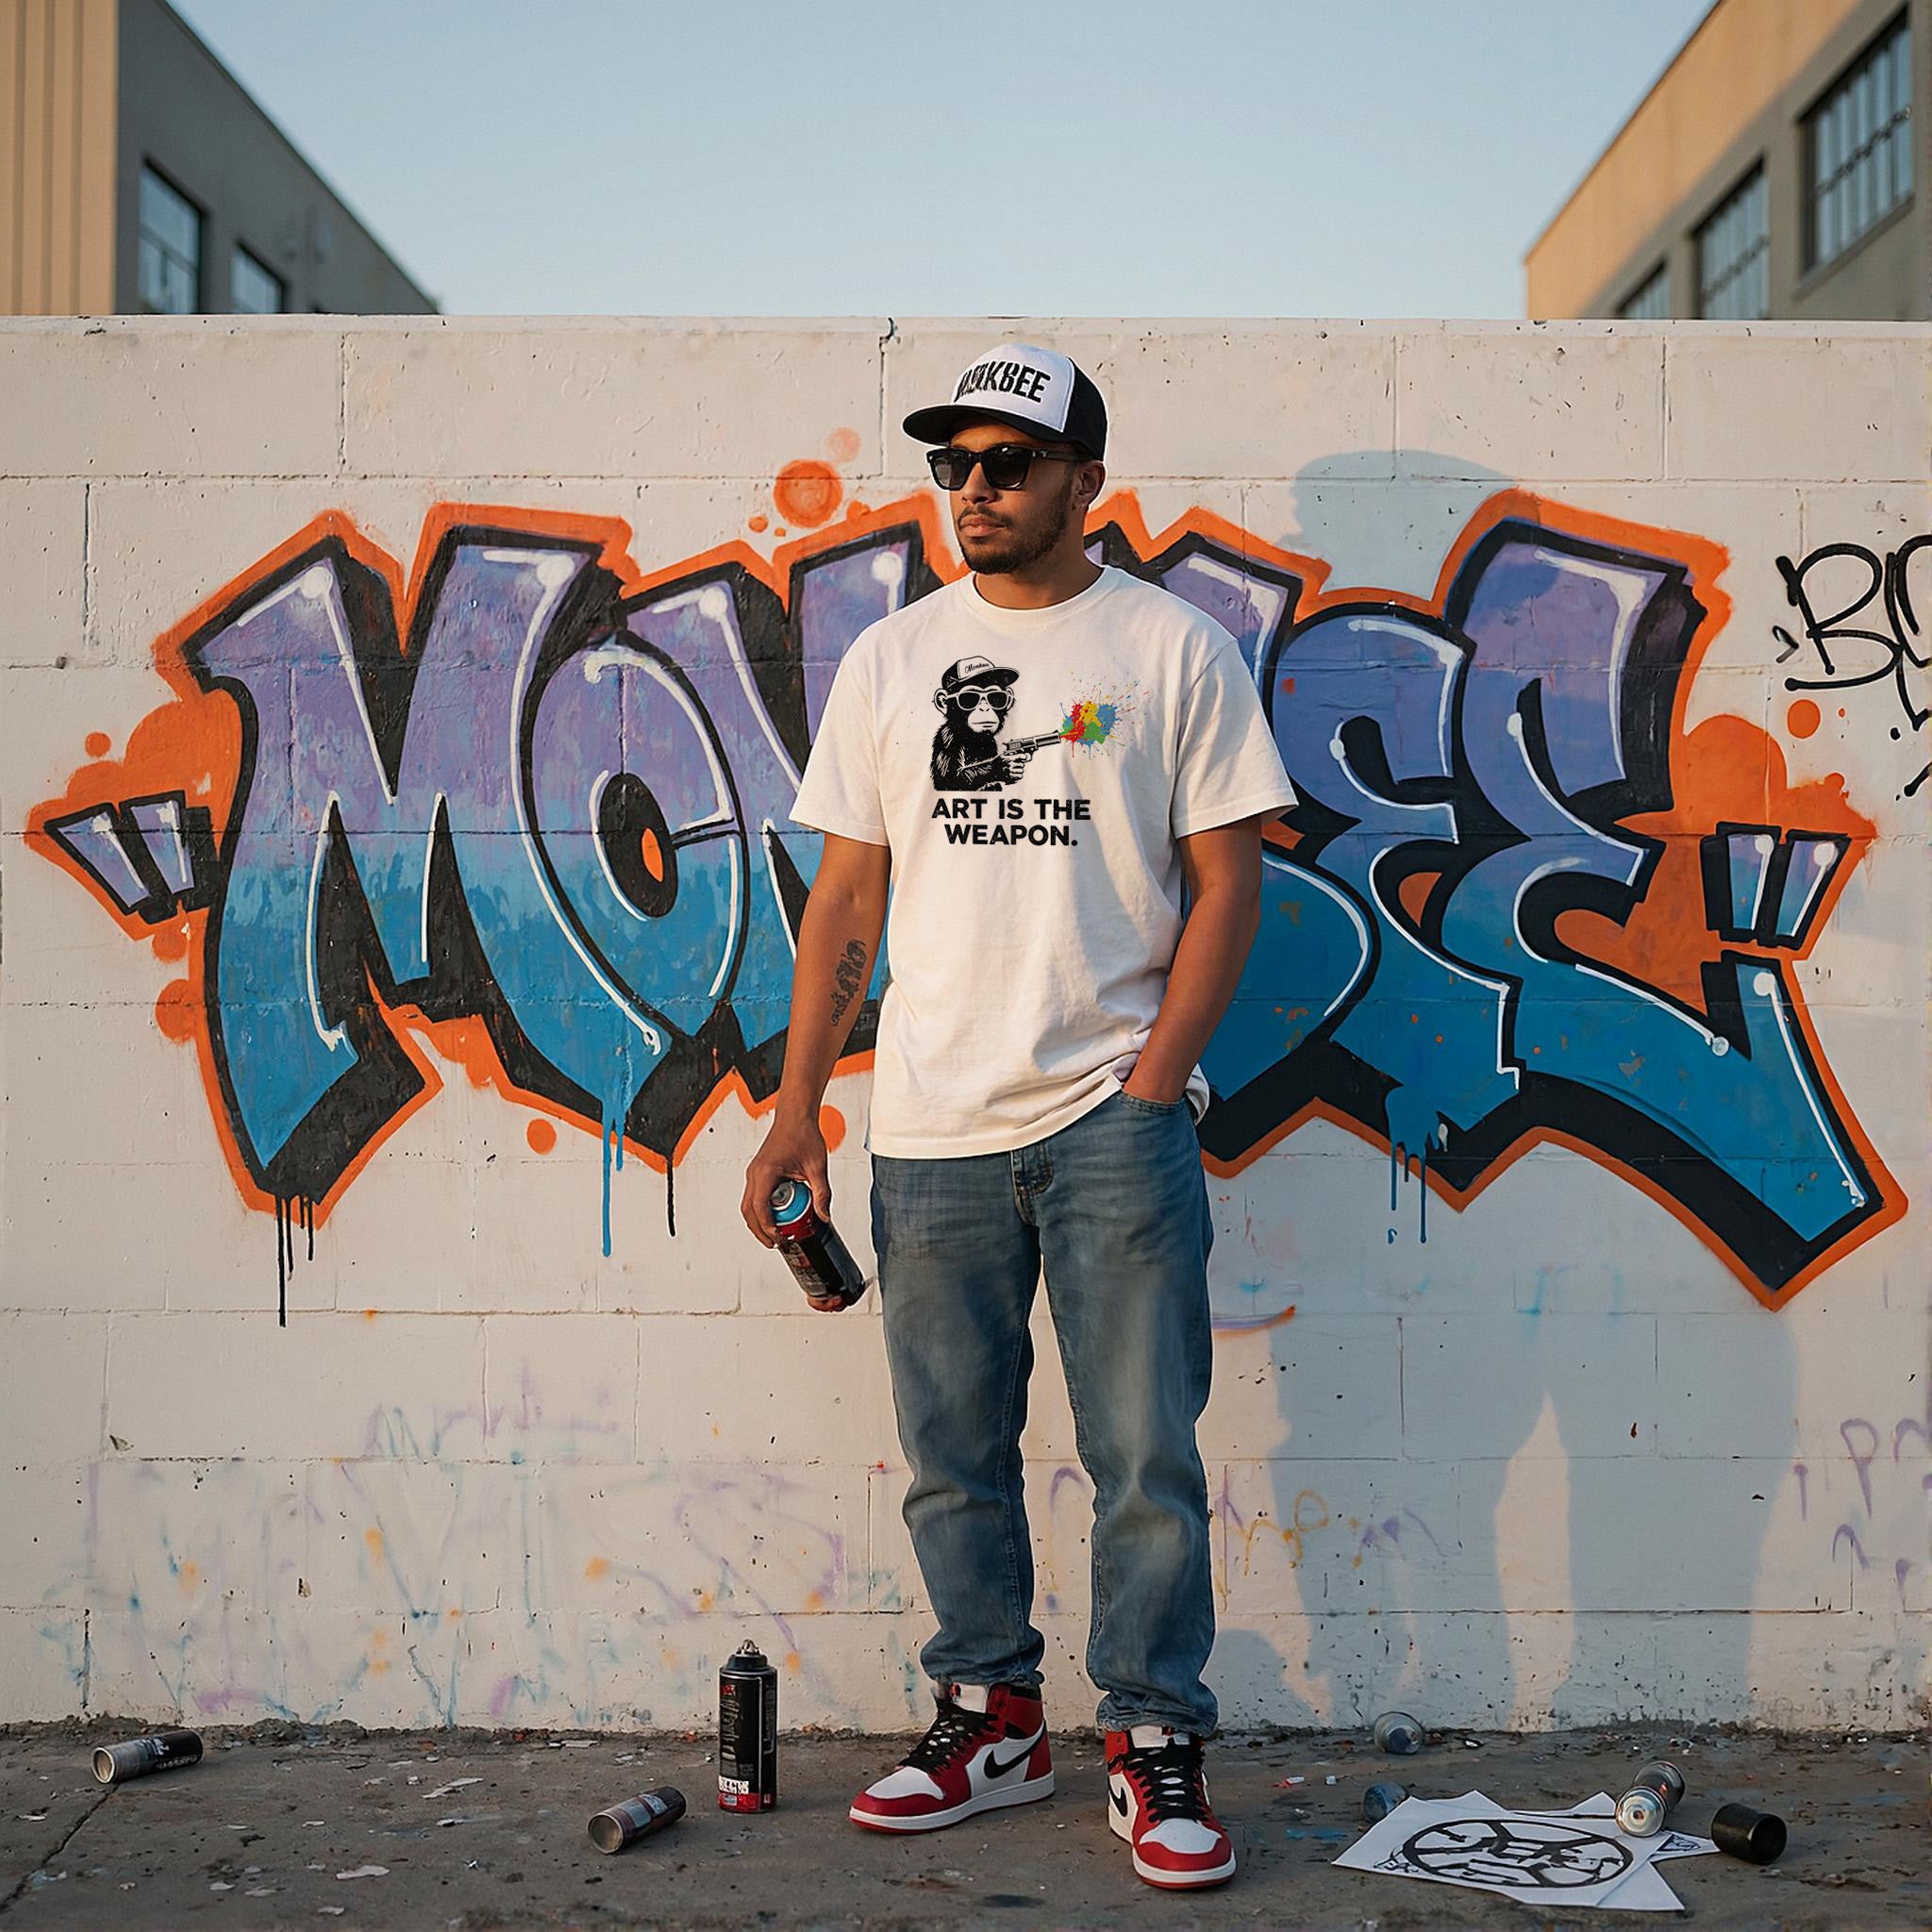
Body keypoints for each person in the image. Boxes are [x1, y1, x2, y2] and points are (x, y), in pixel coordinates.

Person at [740, 341, 1294, 1891]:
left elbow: (1232, 878)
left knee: (1145, 1457)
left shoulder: (1172, 648)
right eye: (954, 464)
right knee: (951, 1456)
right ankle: (989, 1718)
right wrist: (798, 1110)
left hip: (1114, 1121)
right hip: (929, 1132)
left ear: (1084, 481)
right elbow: (846, 899)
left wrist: (1158, 1078)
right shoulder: (892, 660)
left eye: (1010, 462)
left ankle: (1152, 1735)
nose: (974, 489)